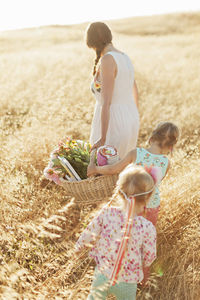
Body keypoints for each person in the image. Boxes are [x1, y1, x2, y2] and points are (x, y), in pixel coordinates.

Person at [75, 165, 157, 300]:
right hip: (127, 281)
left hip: (102, 274)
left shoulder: (107, 213)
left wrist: (79, 247)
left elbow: (88, 233)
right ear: (148, 198)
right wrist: (144, 264)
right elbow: (149, 255)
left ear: (119, 192)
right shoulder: (147, 227)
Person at [88, 121, 179, 227]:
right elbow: (156, 182)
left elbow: (114, 169)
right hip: (152, 204)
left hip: (133, 202)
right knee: (144, 234)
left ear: (153, 136)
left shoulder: (136, 153)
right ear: (171, 146)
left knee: (126, 231)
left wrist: (95, 169)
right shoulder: (166, 162)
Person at [86, 22, 140, 159]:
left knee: (104, 171)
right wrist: (134, 117)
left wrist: (103, 138)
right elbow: (135, 90)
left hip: (112, 122)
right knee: (120, 171)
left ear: (92, 42)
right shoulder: (124, 57)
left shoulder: (108, 59)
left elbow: (107, 102)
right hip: (129, 117)